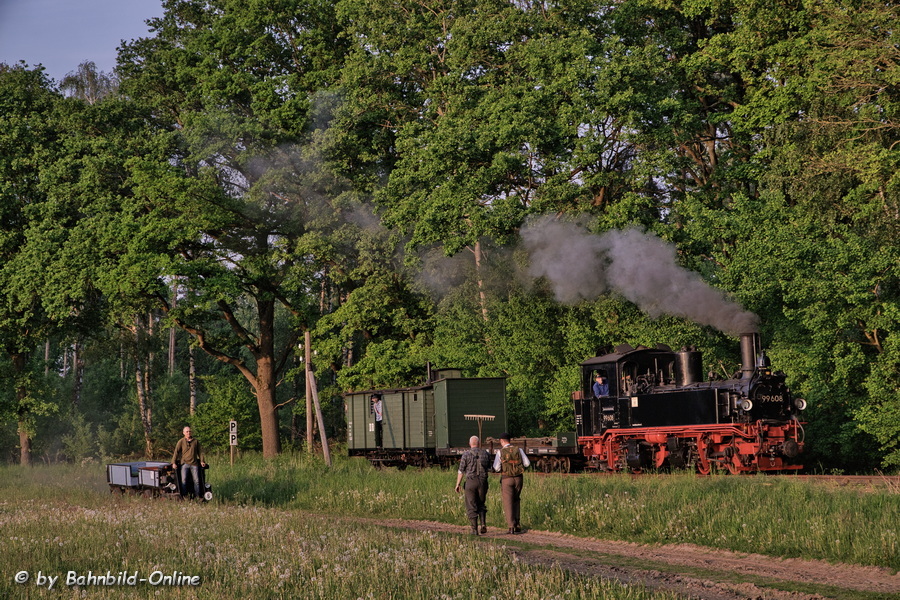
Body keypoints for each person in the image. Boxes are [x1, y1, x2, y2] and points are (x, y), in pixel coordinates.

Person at [492, 432, 530, 534]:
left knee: (508, 502)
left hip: (506, 479)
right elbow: (527, 463)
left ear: (502, 441)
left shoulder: (501, 452)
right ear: (510, 440)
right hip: (518, 478)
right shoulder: (519, 450)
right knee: (516, 500)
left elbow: (496, 468)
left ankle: (511, 527)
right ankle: (517, 524)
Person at [455, 435, 492, 535]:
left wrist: (457, 484)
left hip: (471, 482)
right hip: (483, 481)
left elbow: (461, 471)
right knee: (481, 503)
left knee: (471, 504)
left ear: (470, 444)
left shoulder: (466, 455)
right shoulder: (486, 454)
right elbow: (490, 468)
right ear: (479, 443)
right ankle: (483, 523)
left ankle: (474, 529)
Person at [171, 426, 206, 499]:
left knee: (196, 481)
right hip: (184, 464)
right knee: (183, 481)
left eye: (189, 431)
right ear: (183, 433)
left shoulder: (195, 441)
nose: (188, 433)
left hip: (194, 464)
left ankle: (198, 496)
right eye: (187, 431)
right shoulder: (181, 441)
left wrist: (202, 461)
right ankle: (184, 496)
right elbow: (176, 452)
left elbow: (200, 452)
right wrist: (173, 462)